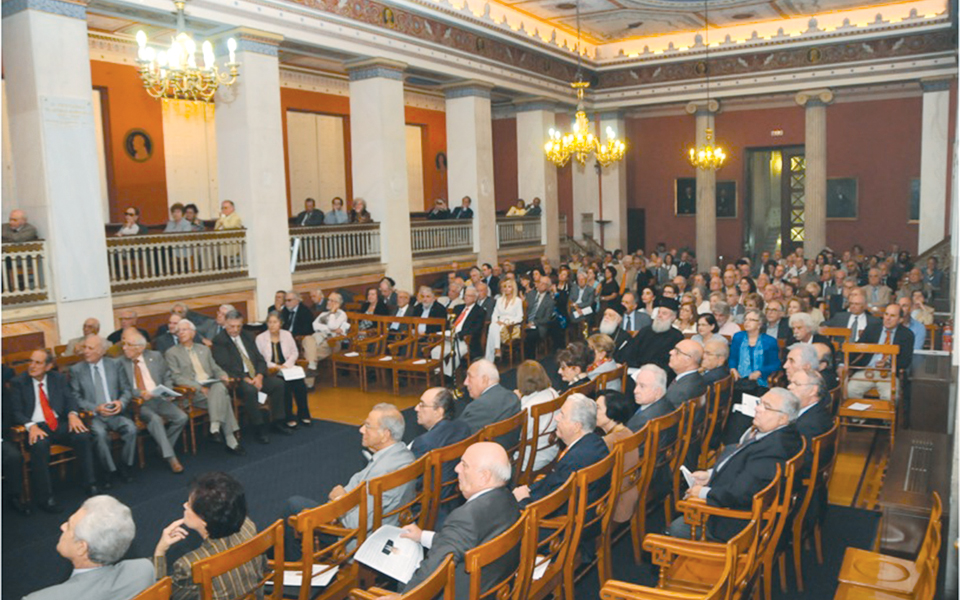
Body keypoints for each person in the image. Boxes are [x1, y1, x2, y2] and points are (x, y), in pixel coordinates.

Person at [671, 388, 803, 541]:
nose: (757, 408)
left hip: (737, 524)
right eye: (759, 403)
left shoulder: (773, 450)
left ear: (783, 419)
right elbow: (746, 472)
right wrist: (710, 474)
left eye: (766, 407)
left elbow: (739, 494)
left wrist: (702, 493)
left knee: (676, 526)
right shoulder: (785, 435)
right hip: (739, 503)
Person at [283, 404, 415, 557]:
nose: (361, 430)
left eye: (367, 426)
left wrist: (339, 499)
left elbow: (354, 523)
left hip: (360, 540)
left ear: (385, 434)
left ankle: (291, 563)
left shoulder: (382, 473)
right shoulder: (405, 455)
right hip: (388, 524)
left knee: (293, 507)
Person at [399, 442, 521, 599]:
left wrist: (402, 597)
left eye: (465, 465)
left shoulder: (466, 516)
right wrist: (422, 536)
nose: (457, 469)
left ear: (484, 477)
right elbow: (463, 541)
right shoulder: (508, 499)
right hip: (494, 588)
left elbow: (432, 571)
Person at [9, 350, 98, 510]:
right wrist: (30, 425)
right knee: (40, 445)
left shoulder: (58, 378)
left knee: (82, 435)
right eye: (31, 361)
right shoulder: (19, 382)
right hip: (36, 426)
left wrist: (72, 414)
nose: (32, 366)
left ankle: (89, 484)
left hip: (58, 423)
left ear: (48, 366)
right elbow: (15, 412)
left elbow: (70, 398)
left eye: (38, 363)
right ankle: (45, 498)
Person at [154, 472, 262, 600]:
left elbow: (164, 596)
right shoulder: (248, 526)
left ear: (204, 520)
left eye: (189, 505)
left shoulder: (189, 565)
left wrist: (159, 552)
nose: (184, 505)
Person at [24, 496, 153, 600]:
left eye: (69, 526)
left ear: (81, 548)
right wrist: (160, 551)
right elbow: (159, 580)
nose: (62, 526)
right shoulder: (144, 570)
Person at [513, 393, 608, 509]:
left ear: (576, 426)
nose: (556, 418)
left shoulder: (573, 462)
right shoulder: (598, 443)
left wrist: (524, 500)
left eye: (562, 415)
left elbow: (551, 507)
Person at [165, 320, 244, 455]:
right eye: (179, 331)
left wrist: (223, 375)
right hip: (192, 393)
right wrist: (199, 388)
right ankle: (230, 439)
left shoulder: (204, 349)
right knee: (223, 396)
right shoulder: (172, 353)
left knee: (219, 386)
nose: (181, 333)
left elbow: (215, 368)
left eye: (184, 330)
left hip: (211, 386)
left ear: (193, 332)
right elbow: (177, 377)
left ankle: (215, 427)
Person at [212, 310, 288, 443]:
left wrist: (259, 376)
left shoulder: (248, 335)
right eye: (232, 326)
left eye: (239, 326)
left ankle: (277, 422)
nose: (235, 330)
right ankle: (259, 428)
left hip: (255, 374)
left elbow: (260, 359)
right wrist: (245, 378)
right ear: (225, 324)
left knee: (278, 384)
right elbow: (224, 366)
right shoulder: (220, 340)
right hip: (237, 379)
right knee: (250, 390)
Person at [70, 335, 137, 486]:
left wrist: (121, 403)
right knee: (100, 435)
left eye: (90, 348)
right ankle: (109, 471)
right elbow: (75, 397)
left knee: (131, 429)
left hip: (115, 413)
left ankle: (125, 466)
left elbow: (126, 389)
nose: (85, 351)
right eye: (84, 347)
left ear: (101, 351)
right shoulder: (76, 370)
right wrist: (95, 408)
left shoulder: (115, 364)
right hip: (94, 416)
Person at [118, 329, 188, 474]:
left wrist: (167, 391)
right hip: (139, 403)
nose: (124, 347)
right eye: (123, 344)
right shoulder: (120, 363)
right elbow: (122, 388)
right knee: (155, 420)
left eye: (128, 345)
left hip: (159, 397)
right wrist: (140, 393)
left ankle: (162, 447)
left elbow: (167, 376)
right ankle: (171, 458)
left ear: (140, 347)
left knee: (182, 417)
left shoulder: (155, 356)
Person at [846, 303, 914, 401]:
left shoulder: (907, 335)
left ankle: (880, 417)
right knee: (850, 390)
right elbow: (857, 348)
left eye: (892, 316)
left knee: (890, 396)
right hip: (868, 370)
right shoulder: (872, 328)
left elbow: (905, 361)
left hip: (890, 373)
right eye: (886, 314)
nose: (888, 318)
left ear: (900, 320)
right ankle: (859, 417)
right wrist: (843, 364)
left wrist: (888, 363)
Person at [256, 313, 311, 428]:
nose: (272, 325)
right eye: (269, 322)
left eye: (275, 322)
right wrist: (276, 366)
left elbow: (294, 352)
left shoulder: (287, 335)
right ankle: (288, 416)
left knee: (300, 384)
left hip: (287, 368)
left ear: (280, 323)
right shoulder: (260, 338)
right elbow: (260, 359)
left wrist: (286, 365)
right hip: (271, 370)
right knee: (285, 385)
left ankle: (303, 414)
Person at [596, 389, 640, 522]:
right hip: (630, 495)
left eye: (597, 408)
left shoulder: (608, 442)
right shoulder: (627, 432)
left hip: (616, 506)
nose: (593, 412)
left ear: (611, 412)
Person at [459, 360, 521, 447]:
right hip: (507, 453)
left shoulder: (476, 408)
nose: (465, 382)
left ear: (484, 380)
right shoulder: (512, 397)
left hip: (486, 456)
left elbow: (458, 440)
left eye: (470, 377)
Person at [514, 360, 560, 471]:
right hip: (552, 449)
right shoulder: (553, 393)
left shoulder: (527, 408)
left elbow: (517, 438)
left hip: (530, 459)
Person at [618, 297, 684, 371]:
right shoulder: (645, 331)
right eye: (659, 312)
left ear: (673, 318)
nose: (659, 315)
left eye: (664, 313)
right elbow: (631, 351)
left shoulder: (677, 336)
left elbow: (671, 363)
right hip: (636, 369)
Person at [433, 286, 486, 378]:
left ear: (475, 298)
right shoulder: (458, 308)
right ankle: (439, 373)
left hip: (465, 341)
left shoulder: (479, 311)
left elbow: (476, 329)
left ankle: (447, 376)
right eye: (465, 295)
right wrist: (447, 332)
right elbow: (449, 323)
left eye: (469, 296)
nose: (466, 298)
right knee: (436, 351)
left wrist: (458, 335)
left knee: (455, 353)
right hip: (449, 338)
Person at [410, 388, 472, 459]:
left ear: (438, 412)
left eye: (422, 405)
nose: (416, 408)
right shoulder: (463, 426)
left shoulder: (424, 442)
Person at [729, 309, 781, 391]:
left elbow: (775, 364)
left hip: (760, 382)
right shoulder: (738, 337)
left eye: (751, 320)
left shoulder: (769, 341)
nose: (747, 322)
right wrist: (733, 368)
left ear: (759, 324)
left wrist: (760, 372)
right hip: (739, 380)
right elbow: (732, 358)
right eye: (745, 319)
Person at [303, 292, 349, 370]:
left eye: (331, 301)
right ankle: (312, 367)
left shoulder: (342, 314)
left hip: (332, 342)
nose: (328, 302)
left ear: (337, 303)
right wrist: (330, 330)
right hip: (317, 340)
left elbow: (333, 325)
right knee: (307, 339)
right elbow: (315, 326)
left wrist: (332, 313)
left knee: (308, 353)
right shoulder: (323, 314)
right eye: (328, 300)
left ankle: (311, 369)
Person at [484, 278, 523, 361]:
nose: (506, 289)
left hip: (511, 327)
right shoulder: (499, 300)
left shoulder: (517, 301)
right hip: (499, 324)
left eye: (509, 286)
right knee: (493, 325)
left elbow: (520, 317)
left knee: (492, 329)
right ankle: (497, 349)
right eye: (505, 286)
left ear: (513, 288)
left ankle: (490, 357)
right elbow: (494, 314)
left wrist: (508, 323)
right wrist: (496, 321)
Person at [663, 339, 707, 408]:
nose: (671, 352)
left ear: (688, 361)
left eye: (677, 352)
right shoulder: (698, 378)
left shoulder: (679, 392)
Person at [523, 276, 556, 358]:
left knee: (530, 336)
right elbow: (524, 310)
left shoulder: (550, 300)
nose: (541, 285)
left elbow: (547, 318)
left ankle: (530, 359)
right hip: (525, 322)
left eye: (544, 284)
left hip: (539, 325)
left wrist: (534, 323)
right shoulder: (530, 294)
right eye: (540, 282)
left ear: (548, 287)